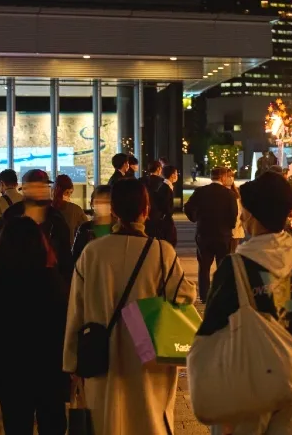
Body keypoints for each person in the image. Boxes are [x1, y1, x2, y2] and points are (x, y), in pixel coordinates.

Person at [63, 178, 194, 435]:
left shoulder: (92, 253)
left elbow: (76, 310)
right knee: (149, 418)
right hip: (149, 354)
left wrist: (71, 361)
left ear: (113, 210)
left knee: (107, 420)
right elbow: (184, 295)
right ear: (146, 210)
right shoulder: (161, 252)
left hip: (100, 356)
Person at [198, 171, 292, 435]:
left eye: (244, 211)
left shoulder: (235, 267)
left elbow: (212, 329)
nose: (241, 217)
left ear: (253, 215)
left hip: (247, 383)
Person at [0, 216, 69, 435]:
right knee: (53, 424)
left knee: (16, 425)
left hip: (9, 369)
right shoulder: (51, 280)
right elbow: (63, 326)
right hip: (48, 368)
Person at [0, 170, 74, 278]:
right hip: (15, 281)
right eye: (36, 186)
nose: (41, 191)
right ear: (25, 189)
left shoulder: (56, 219)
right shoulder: (10, 216)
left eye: (44, 186)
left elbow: (65, 257)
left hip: (49, 282)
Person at [184, 167, 240, 303]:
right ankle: (220, 294)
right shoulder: (229, 194)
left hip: (204, 234)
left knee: (204, 267)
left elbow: (187, 207)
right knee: (222, 267)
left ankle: (204, 295)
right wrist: (230, 226)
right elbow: (233, 213)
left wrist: (195, 218)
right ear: (223, 177)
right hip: (223, 235)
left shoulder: (200, 191)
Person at [71, 185, 113, 264]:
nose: (102, 205)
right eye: (98, 202)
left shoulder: (118, 228)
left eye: (106, 202)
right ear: (92, 204)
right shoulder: (84, 229)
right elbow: (76, 256)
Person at [145, 162, 178, 246]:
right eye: (176, 173)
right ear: (172, 175)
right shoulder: (165, 187)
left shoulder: (166, 186)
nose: (177, 176)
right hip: (161, 220)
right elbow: (165, 206)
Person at [52, 174, 86, 246]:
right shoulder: (75, 210)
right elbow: (86, 228)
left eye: (70, 193)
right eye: (67, 192)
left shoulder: (46, 209)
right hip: (69, 249)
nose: (69, 196)